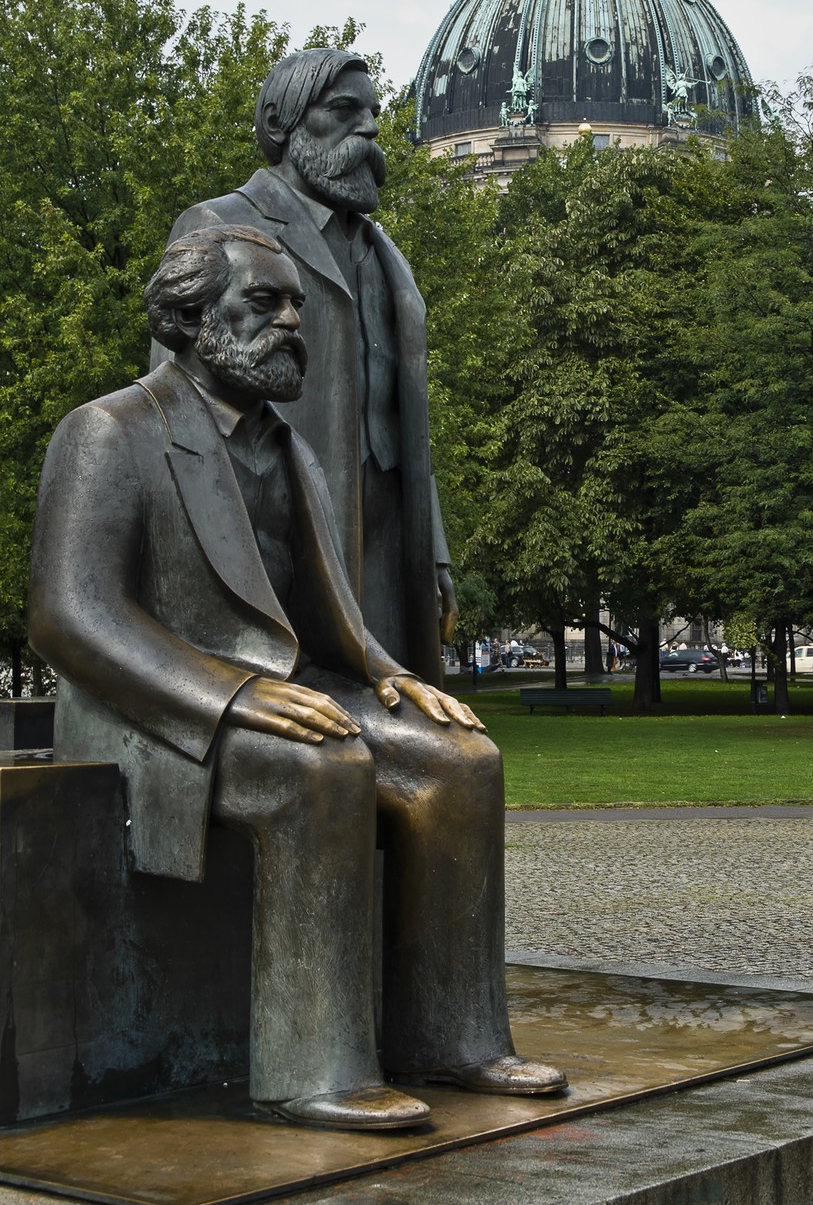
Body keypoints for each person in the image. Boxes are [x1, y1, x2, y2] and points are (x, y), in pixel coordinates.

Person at [29, 226, 564, 1132]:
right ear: (192, 319)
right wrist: (230, 692)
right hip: (149, 708)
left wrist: (391, 676)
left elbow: (325, 620)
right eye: (263, 305)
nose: (290, 324)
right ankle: (316, 1070)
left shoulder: (289, 449)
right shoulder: (108, 431)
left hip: (277, 692)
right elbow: (72, 616)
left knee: (459, 761)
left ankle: (452, 1038)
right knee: (323, 770)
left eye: (296, 308)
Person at [160, 48, 457, 688]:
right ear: (279, 124)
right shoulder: (221, 224)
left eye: (375, 113)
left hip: (386, 535)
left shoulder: (386, 256)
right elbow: (173, 410)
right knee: (306, 728)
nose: (371, 130)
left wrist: (431, 551)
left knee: (400, 720)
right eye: (345, 111)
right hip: (270, 524)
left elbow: (409, 426)